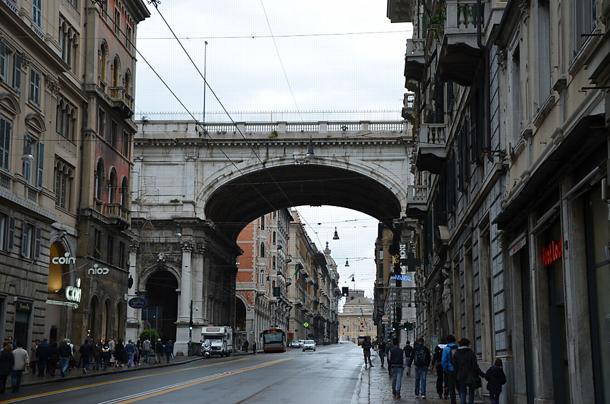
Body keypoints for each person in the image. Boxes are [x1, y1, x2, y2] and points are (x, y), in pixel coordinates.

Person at [454, 338, 485, 404]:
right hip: (471, 375)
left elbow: (455, 366)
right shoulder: (471, 353)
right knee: (471, 391)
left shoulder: (456, 353)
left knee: (462, 391)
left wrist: (455, 376)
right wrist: (482, 374)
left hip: (460, 375)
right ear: (468, 344)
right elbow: (475, 366)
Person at [442, 335, 458, 404]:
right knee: (460, 387)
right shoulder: (458, 347)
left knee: (451, 387)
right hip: (458, 370)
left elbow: (444, 361)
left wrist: (445, 369)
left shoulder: (446, 349)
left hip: (450, 370)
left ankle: (453, 401)